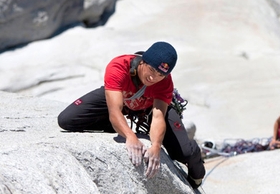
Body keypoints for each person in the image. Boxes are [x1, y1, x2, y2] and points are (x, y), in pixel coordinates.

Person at [57, 41, 205, 189]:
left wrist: (155, 146)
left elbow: (158, 117)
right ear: (143, 62)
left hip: (149, 107)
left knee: (184, 152)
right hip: (122, 98)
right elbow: (115, 109)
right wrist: (130, 136)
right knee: (67, 120)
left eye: (160, 74)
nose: (153, 78)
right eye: (152, 70)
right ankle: (114, 126)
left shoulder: (165, 82)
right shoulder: (120, 66)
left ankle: (197, 173)